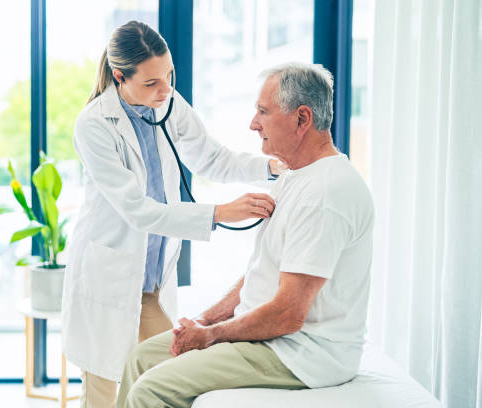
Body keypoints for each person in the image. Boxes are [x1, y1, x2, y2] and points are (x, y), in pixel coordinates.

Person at [116, 62, 375, 408]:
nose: (253, 124)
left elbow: (288, 314)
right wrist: (205, 319)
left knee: (151, 389)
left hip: (300, 353)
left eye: (263, 112)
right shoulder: (296, 176)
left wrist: (210, 336)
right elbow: (263, 271)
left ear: (302, 119)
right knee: (141, 358)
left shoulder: (325, 194)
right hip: (272, 339)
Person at [61, 21, 286, 408]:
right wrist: (218, 213)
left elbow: (211, 158)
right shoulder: (94, 125)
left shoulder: (167, 102)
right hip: (108, 274)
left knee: (161, 376)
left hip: (151, 280)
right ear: (119, 76)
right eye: (151, 83)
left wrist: (270, 167)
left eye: (168, 75)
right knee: (101, 393)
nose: (164, 89)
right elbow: (137, 210)